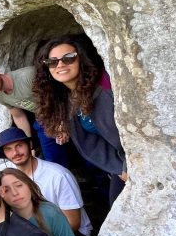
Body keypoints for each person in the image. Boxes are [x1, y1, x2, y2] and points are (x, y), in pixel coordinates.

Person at [33, 37, 127, 204]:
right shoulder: (67, 99)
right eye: (52, 62)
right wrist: (119, 168)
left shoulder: (106, 84)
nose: (60, 65)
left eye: (68, 58)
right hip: (118, 163)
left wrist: (127, 165)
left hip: (137, 156)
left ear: (81, 59)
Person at [0, 127, 93, 236]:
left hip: (69, 233)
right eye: (8, 149)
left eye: (19, 145)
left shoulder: (58, 175)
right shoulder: (2, 172)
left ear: (30, 144)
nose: (15, 153)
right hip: (32, 229)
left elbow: (73, 223)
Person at [0, 63, 68, 166]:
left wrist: (61, 123)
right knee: (53, 161)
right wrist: (28, 145)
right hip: (45, 121)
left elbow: (57, 96)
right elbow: (19, 117)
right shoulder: (0, 97)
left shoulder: (27, 75)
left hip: (65, 110)